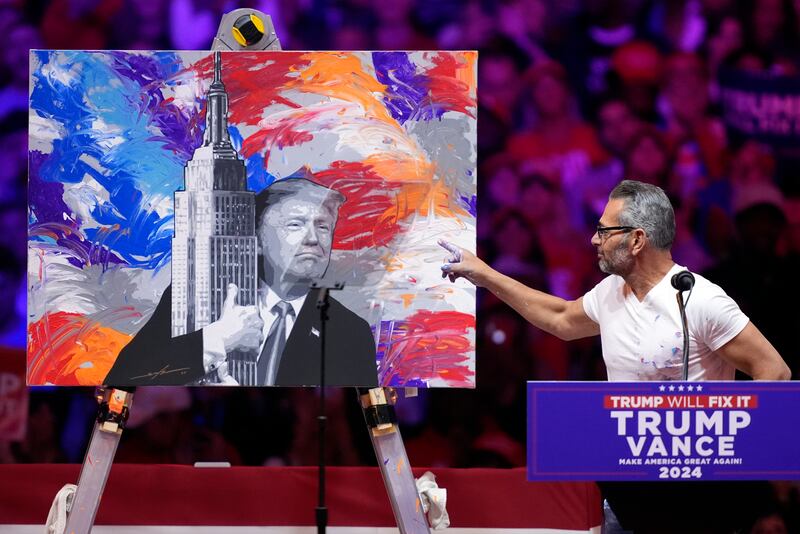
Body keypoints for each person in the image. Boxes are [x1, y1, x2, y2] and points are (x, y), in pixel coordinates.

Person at [440, 179, 790, 381]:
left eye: (604, 231)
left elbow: (774, 372)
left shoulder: (698, 298)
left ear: (637, 240)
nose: (594, 240)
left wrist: (737, 447)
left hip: (694, 487)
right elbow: (560, 318)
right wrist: (485, 275)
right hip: (626, 479)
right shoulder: (611, 291)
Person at [104, 178, 378, 387]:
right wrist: (217, 339)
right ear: (256, 240)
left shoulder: (350, 333)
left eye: (323, 226)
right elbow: (123, 380)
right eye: (295, 224)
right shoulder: (194, 298)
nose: (313, 239)